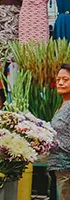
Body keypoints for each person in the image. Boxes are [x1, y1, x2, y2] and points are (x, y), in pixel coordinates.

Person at [49, 64, 70, 199]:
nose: (60, 82)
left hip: (66, 168)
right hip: (57, 168)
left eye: (66, 79)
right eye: (58, 79)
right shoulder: (62, 106)